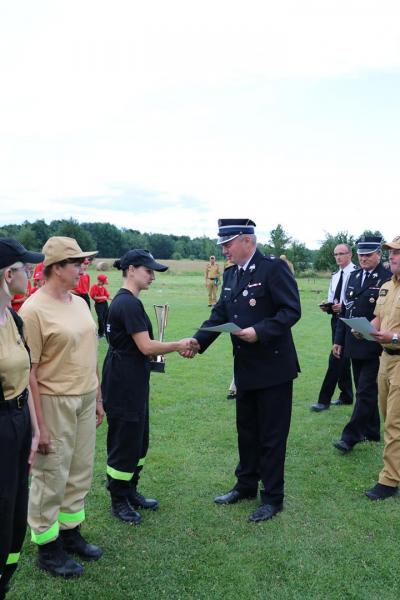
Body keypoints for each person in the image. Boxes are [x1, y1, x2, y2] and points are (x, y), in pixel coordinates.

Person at [189, 219, 301, 522]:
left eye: (228, 244)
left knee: (272, 436)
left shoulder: (273, 269)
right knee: (247, 431)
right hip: (246, 368)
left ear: (247, 240)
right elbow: (220, 314)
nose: (224, 250)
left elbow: (291, 310)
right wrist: (198, 342)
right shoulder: (231, 274)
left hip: (274, 370)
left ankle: (273, 498)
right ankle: (246, 485)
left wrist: (259, 331)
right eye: (223, 245)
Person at [20, 236, 104, 578]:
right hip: (53, 400)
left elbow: (90, 351)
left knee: (79, 470)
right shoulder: (33, 310)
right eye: (76, 262)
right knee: (51, 473)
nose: (83, 267)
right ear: (55, 268)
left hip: (85, 396)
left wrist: (98, 396)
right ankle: (47, 547)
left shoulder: (80, 303)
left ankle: (70, 533)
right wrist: (39, 425)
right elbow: (29, 372)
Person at [101, 249, 194, 523]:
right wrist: (178, 345)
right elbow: (145, 346)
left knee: (138, 439)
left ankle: (130, 491)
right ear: (131, 269)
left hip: (132, 380)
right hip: (123, 384)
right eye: (148, 271)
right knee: (124, 441)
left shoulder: (128, 302)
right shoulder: (128, 304)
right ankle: (119, 500)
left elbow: (140, 348)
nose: (152, 276)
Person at [0, 239, 42, 600]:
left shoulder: (13, 318)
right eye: (26, 268)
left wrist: (34, 429)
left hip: (18, 421)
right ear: (7, 275)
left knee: (15, 508)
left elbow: (26, 375)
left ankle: (5, 578)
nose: (31, 273)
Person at [332, 236, 391, 453]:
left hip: (375, 345)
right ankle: (372, 431)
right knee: (363, 389)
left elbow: (387, 315)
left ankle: (350, 437)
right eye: (361, 255)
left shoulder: (387, 278)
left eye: (368, 255)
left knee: (365, 391)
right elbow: (346, 310)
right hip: (354, 342)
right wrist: (338, 340)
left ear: (379, 254)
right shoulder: (354, 276)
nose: (363, 258)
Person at [365, 236, 400, 499]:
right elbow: (378, 318)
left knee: (394, 423)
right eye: (390, 252)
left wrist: (393, 338)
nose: (392, 257)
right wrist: (364, 329)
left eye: (397, 253)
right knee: (387, 415)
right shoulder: (387, 286)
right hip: (384, 359)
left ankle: (389, 480)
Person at [311, 244, 356, 412]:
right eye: (336, 254)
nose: (338, 257)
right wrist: (328, 306)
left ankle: (323, 400)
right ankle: (346, 396)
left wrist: (343, 307)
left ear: (350, 254)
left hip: (350, 321)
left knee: (336, 357)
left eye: (341, 253)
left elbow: (356, 301)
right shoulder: (335, 275)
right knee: (341, 359)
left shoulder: (357, 273)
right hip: (336, 321)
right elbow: (332, 298)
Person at [90, 273, 110, 338]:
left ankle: (105, 332)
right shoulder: (94, 287)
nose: (105, 282)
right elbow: (94, 297)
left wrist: (111, 298)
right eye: (104, 281)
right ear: (100, 281)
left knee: (106, 318)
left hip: (105, 304)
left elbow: (107, 296)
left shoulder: (103, 287)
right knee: (100, 319)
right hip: (99, 305)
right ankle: (100, 333)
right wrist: (102, 297)